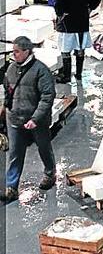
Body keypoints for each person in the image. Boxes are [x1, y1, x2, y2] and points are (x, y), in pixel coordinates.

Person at [0, 36, 56, 204]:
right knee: (15, 153)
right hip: (15, 119)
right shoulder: (10, 69)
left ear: (27, 51)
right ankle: (11, 187)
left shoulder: (41, 71)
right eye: (13, 51)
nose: (14, 55)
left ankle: (50, 173)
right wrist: (5, 107)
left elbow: (47, 96)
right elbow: (7, 88)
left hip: (36, 121)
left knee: (44, 148)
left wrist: (35, 118)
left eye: (17, 52)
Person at [54, 0, 101, 83]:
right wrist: (89, 9)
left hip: (67, 28)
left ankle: (66, 75)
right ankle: (78, 74)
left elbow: (57, 5)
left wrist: (61, 15)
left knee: (65, 51)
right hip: (81, 26)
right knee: (80, 50)